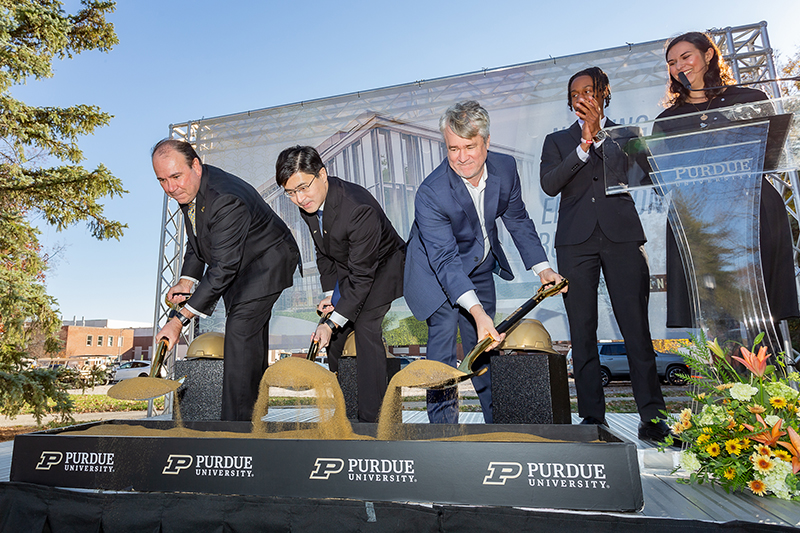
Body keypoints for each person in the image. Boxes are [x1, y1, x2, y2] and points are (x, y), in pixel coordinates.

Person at [404, 100, 565, 424]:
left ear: (487, 142)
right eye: (453, 148)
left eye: (469, 147)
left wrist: (543, 268)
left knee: (487, 345)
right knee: (445, 346)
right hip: (436, 273)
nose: (461, 157)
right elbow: (446, 260)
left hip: (478, 266)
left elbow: (517, 220)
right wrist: (476, 313)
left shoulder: (505, 169)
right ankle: (443, 433)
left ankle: (499, 424)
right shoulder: (431, 192)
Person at [540, 67, 672, 443]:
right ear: (570, 102)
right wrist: (582, 145)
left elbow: (641, 175)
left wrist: (600, 137)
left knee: (636, 331)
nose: (582, 96)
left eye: (589, 90)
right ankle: (593, 419)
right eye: (575, 92)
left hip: (623, 240)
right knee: (582, 333)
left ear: (604, 95)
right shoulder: (556, 141)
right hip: (574, 244)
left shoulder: (627, 136)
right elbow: (550, 185)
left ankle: (653, 417)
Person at [655, 32, 799, 329]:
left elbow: (770, 155)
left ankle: (767, 375)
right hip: (699, 223)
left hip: (751, 213)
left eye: (686, 57)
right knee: (718, 324)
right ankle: (726, 376)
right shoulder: (666, 121)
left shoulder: (750, 100)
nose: (679, 66)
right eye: (672, 62)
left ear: (708, 55)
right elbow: (659, 178)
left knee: (762, 319)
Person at [152, 139, 300, 422]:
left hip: (267, 262)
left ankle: (236, 429)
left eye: (175, 177)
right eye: (162, 180)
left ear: (195, 165)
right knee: (249, 340)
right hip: (242, 265)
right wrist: (186, 280)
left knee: (240, 332)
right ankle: (255, 416)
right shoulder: (191, 189)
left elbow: (222, 268)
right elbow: (200, 239)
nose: (170, 188)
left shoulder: (224, 197)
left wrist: (178, 320)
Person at [275, 146, 405, 423]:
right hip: (352, 269)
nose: (299, 198)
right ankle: (346, 410)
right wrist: (330, 296)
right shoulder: (310, 203)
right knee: (334, 339)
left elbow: (362, 278)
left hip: (383, 267)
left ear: (322, 174)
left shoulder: (358, 209)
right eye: (291, 193)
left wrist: (333, 321)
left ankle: (373, 421)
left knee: (366, 325)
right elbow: (325, 254)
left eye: (303, 188)